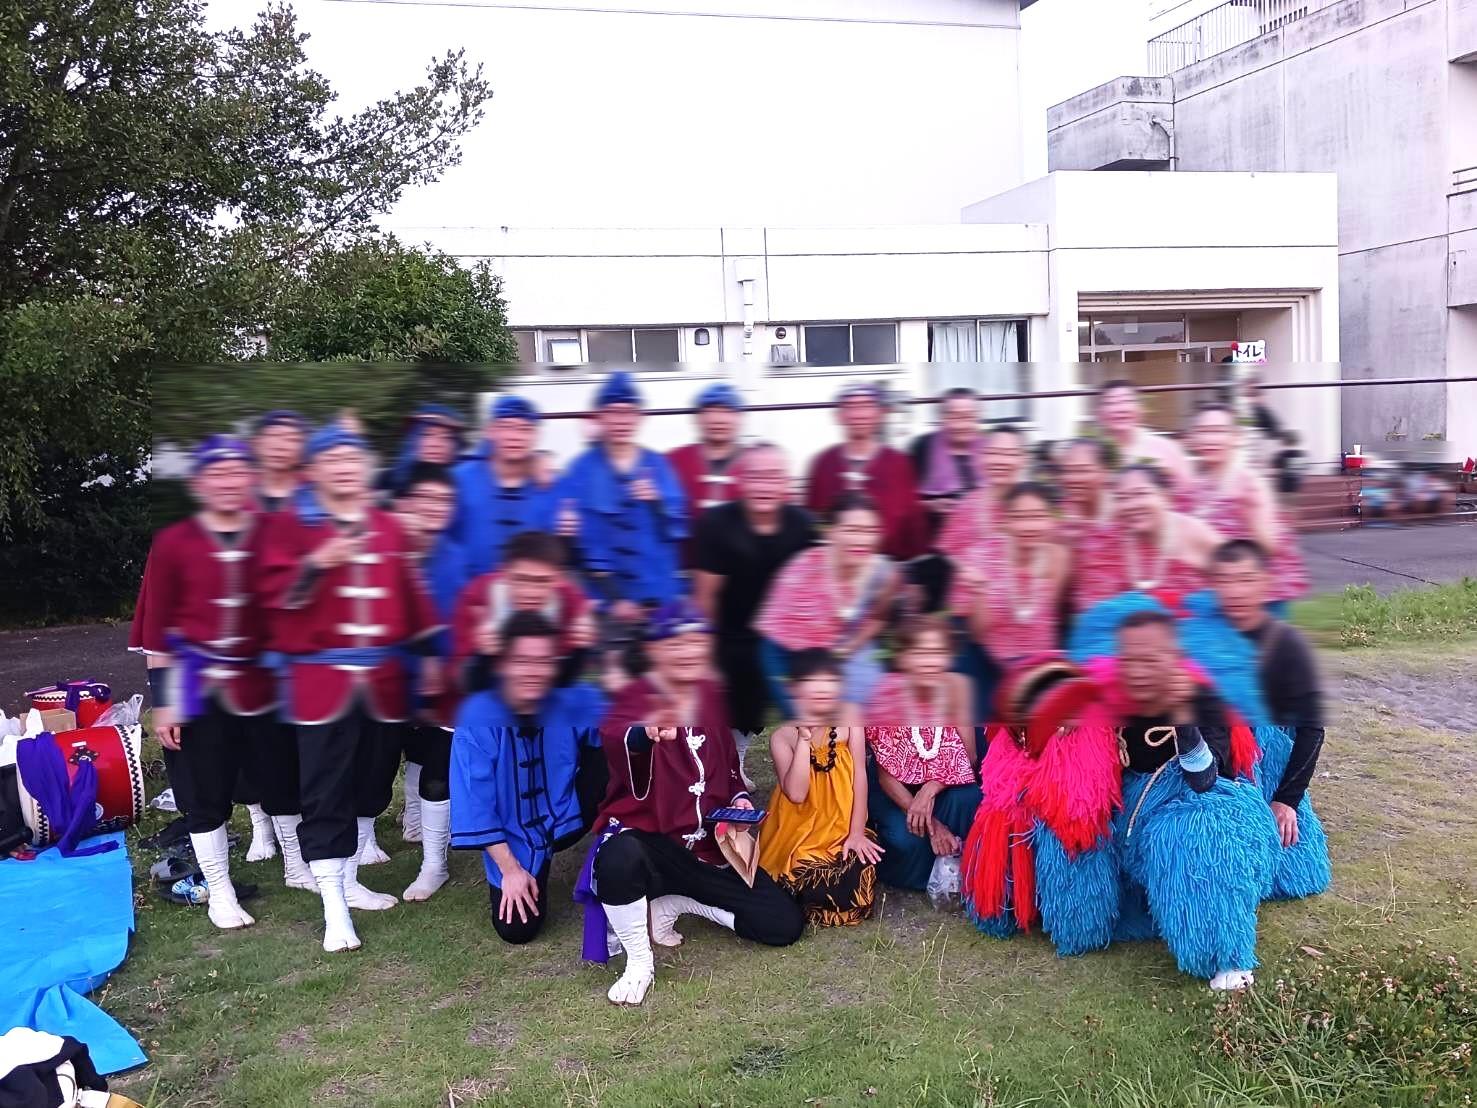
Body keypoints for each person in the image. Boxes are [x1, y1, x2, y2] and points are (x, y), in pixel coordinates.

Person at [257, 424, 441, 953]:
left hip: (383, 681)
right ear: (314, 469)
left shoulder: (386, 525)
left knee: (371, 784)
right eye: (333, 459)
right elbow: (273, 598)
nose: (344, 468)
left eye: (353, 458)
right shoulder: (288, 525)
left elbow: (412, 598)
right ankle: (333, 908)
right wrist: (318, 563)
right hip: (321, 681)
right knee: (326, 789)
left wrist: (430, 657)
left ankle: (351, 880)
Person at [579, 600, 806, 1006]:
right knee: (617, 857)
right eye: (676, 643)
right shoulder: (632, 698)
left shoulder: (710, 695)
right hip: (654, 849)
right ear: (654, 649)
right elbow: (619, 736)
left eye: (697, 642)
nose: (688, 651)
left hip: (707, 848)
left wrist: (738, 800)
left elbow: (729, 770)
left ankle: (679, 903)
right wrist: (646, 733)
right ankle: (639, 961)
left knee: (782, 924)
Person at [130, 437, 309, 930]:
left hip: (265, 685)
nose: (229, 482)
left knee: (281, 776)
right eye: (218, 473)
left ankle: (297, 866)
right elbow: (159, 627)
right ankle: (220, 891)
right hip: (195, 688)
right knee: (203, 789)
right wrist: (166, 702)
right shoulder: (174, 542)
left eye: (237, 472)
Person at [1089, 611, 1276, 989]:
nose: (1138, 670)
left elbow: (1205, 780)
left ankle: (1226, 956)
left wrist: (1181, 718)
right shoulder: (1111, 700)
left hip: (1206, 803)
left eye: (1150, 659)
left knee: (1192, 836)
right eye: (1129, 659)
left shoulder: (1203, 697)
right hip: (1135, 809)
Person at [449, 612, 610, 944]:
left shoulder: (569, 699)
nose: (534, 671)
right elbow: (475, 802)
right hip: (513, 830)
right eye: (522, 660)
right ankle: (528, 863)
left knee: (617, 743)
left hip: (566, 813)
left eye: (543, 661)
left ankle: (620, 842)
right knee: (517, 929)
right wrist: (510, 870)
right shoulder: (477, 715)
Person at [1186, 540, 1330, 900]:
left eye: (1246, 579)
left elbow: (1312, 727)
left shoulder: (1286, 644)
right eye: (1225, 581)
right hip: (1210, 767)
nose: (1235, 591)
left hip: (1267, 766)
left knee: (1294, 878)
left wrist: (1287, 800)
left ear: (1265, 582)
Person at [691, 443, 818, 785]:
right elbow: (705, 597)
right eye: (756, 476)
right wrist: (706, 657)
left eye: (773, 476)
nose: (764, 485)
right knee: (734, 693)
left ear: (786, 482)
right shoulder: (717, 524)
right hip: (730, 631)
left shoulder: (803, 525)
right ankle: (730, 759)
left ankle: (818, 764)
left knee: (810, 689)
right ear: (742, 481)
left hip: (786, 635)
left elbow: (816, 588)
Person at [389, 462, 469, 900]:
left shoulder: (457, 557)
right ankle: (354, 855)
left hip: (443, 686)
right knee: (375, 769)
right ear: (405, 503)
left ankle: (433, 864)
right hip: (385, 683)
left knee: (438, 769)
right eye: (426, 498)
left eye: (444, 500)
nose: (436, 507)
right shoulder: (382, 552)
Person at [758, 649, 881, 926]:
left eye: (831, 684)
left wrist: (857, 832)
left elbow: (860, 775)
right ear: (794, 691)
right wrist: (804, 740)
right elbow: (796, 794)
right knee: (797, 876)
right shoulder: (782, 738)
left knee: (856, 869)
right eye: (813, 685)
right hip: (800, 828)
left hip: (841, 821)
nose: (823, 692)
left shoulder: (850, 716)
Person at [862, 616, 980, 892]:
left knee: (970, 798)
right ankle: (925, 862)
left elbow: (970, 755)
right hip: (895, 788)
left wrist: (930, 789)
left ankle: (957, 859)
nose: (930, 661)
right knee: (907, 841)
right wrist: (933, 825)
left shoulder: (956, 687)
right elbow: (886, 776)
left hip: (944, 780)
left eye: (937, 652)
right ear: (903, 658)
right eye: (920, 652)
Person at [561, 371, 688, 622]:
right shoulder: (581, 469)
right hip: (606, 603)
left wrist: (657, 503)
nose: (621, 421)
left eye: (629, 412)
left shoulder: (658, 465)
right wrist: (615, 599)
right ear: (600, 417)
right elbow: (581, 543)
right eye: (613, 412)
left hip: (658, 597)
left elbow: (677, 528)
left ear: (640, 418)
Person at [755, 493, 897, 716]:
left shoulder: (883, 571)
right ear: (831, 531)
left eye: (870, 531)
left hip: (847, 646)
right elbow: (803, 655)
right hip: (788, 653)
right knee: (813, 721)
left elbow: (878, 617)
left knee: (870, 710)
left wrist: (848, 649)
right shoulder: (804, 572)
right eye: (852, 530)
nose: (862, 540)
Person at [951, 483, 1069, 717]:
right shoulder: (981, 556)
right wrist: (980, 592)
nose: (1028, 526)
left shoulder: (1059, 556)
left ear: (1051, 519)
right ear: (1005, 520)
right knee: (981, 726)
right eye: (1019, 517)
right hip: (989, 659)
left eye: (1037, 516)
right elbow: (977, 633)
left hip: (1038, 661)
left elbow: (1049, 614)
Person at [1179, 403, 1308, 609]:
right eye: (1203, 431)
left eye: (1218, 431)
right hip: (1213, 593)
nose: (1210, 439)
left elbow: (1270, 547)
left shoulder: (1249, 484)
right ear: (1192, 438)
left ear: (1235, 437)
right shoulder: (1194, 486)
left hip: (1256, 598)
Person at [451, 530, 598, 695]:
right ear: (504, 573)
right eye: (521, 579)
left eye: (542, 581)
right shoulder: (476, 597)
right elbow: (463, 684)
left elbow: (574, 682)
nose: (530, 593)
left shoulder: (573, 603)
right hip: (491, 698)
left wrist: (581, 651)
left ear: (559, 578)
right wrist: (482, 656)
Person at [1073, 465, 1223, 616]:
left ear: (1165, 496)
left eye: (1141, 494)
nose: (1131, 505)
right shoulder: (1108, 542)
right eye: (1121, 498)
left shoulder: (1194, 532)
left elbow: (1231, 581)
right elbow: (1093, 610)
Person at [804, 382, 925, 560]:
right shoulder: (823, 462)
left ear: (880, 413)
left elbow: (912, 518)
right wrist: (825, 546)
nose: (859, 414)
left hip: (889, 563)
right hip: (837, 564)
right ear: (839, 416)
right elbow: (816, 517)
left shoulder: (898, 463)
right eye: (851, 407)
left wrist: (915, 560)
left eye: (867, 406)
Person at [450, 394, 560, 581]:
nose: (515, 437)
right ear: (490, 431)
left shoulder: (550, 486)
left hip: (530, 596)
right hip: (467, 593)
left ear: (536, 436)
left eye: (525, 429)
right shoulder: (460, 480)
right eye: (506, 427)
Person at [667, 383, 745, 565]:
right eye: (710, 411)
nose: (718, 419)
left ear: (739, 418)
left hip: (742, 569)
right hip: (684, 568)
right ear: (697, 418)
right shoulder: (673, 461)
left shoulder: (756, 463)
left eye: (727, 411)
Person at [936, 424, 1030, 559]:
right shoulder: (968, 506)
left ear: (1024, 459)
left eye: (1009, 454)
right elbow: (947, 557)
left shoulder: (1033, 504)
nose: (999, 461)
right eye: (992, 453)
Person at [911, 387, 986, 543]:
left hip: (979, 539)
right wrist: (931, 505)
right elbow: (903, 499)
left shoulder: (989, 448)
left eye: (969, 417)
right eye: (954, 416)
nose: (962, 425)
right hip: (933, 538)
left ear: (978, 418)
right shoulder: (923, 447)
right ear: (942, 418)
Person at [1095, 379, 1193, 490]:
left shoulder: (1166, 447)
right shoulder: (1093, 453)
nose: (1120, 409)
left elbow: (1188, 490)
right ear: (1099, 413)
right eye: (1111, 403)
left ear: (1140, 409)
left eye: (1127, 401)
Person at [379, 406, 465, 502]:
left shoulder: (465, 483)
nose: (436, 444)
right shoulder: (386, 480)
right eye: (426, 434)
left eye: (447, 437)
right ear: (411, 438)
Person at [1051, 438, 1113, 551]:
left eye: (1082, 470)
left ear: (1105, 473)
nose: (1073, 479)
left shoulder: (1122, 516)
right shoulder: (1059, 515)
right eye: (1067, 471)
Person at [252, 410, 307, 512]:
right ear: (256, 443)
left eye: (291, 439)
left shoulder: (317, 492)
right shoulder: (240, 490)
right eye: (273, 435)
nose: (280, 446)